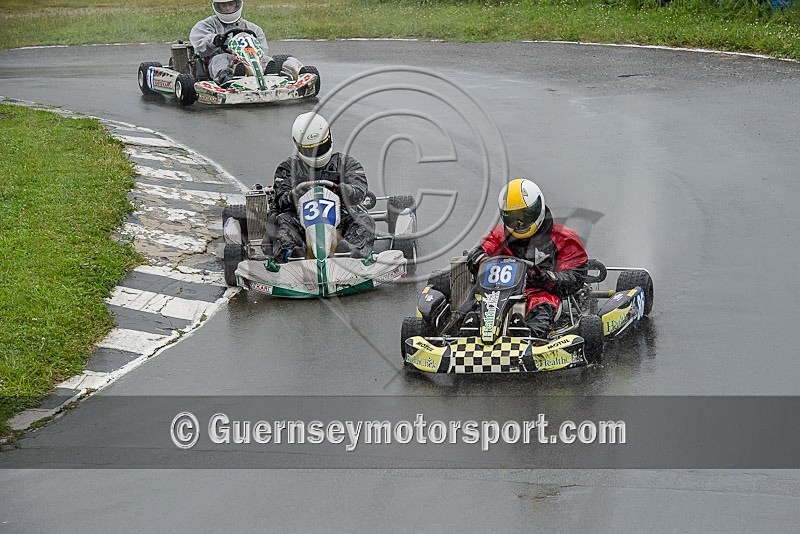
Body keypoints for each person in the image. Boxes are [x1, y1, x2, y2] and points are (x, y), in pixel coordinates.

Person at [466, 178, 588, 338]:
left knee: (541, 308)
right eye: (513, 217)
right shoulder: (499, 235)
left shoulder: (563, 238)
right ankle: (470, 332)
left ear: (537, 209)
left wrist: (547, 278)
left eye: (525, 215)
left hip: (541, 292)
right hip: (499, 292)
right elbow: (477, 253)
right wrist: (482, 261)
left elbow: (575, 276)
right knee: (480, 305)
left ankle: (529, 336)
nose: (520, 223)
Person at [269, 112, 376, 265]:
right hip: (300, 220)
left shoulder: (346, 163)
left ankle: (353, 256)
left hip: (340, 219)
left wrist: (346, 190)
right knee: (282, 221)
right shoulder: (288, 167)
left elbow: (360, 190)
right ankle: (288, 259)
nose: (317, 153)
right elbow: (280, 199)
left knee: (365, 220)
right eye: (310, 149)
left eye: (321, 146)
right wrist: (294, 195)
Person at [189, 0, 276, 86]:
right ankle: (227, 79)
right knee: (220, 59)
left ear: (237, 4)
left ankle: (272, 76)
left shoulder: (253, 28)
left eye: (231, 4)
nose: (227, 8)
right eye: (223, 5)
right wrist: (214, 40)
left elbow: (262, 50)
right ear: (217, 6)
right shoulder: (206, 25)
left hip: (248, 60)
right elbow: (199, 46)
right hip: (218, 61)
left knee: (266, 59)